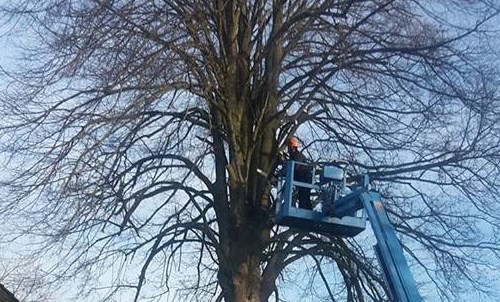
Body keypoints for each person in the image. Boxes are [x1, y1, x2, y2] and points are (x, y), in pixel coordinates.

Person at [287, 138, 312, 209]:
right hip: (301, 178)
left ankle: (305, 211)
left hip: (305, 178)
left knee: (304, 197)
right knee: (302, 196)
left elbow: (295, 168)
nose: (288, 149)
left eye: (289, 147)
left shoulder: (298, 156)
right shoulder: (293, 156)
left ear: (292, 147)